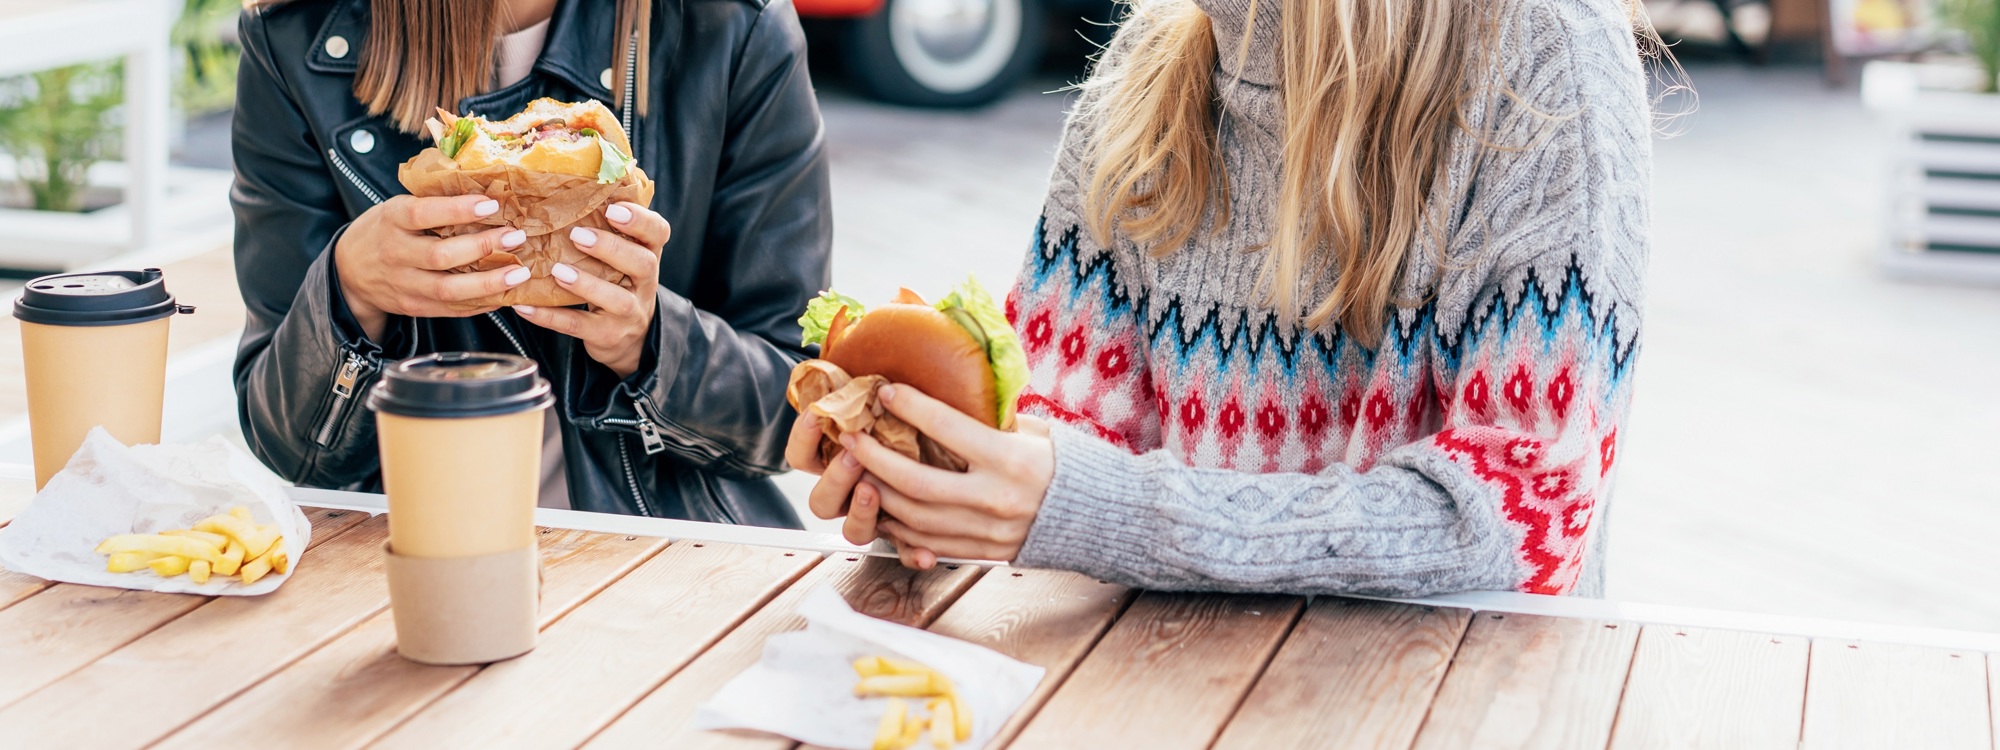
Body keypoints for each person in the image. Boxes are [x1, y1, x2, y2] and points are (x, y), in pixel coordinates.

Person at [792, 0, 1654, 596]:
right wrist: (940, 490)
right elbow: (1063, 430)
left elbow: (1520, 522)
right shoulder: (1146, 65)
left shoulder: (1547, 48)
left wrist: (1091, 511)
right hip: (1170, 686)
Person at [231, 0, 828, 526]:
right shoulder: (293, 38)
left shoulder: (735, 26)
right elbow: (289, 448)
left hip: (668, 555)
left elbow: (794, 413)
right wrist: (349, 293)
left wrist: (649, 343)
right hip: (410, 554)